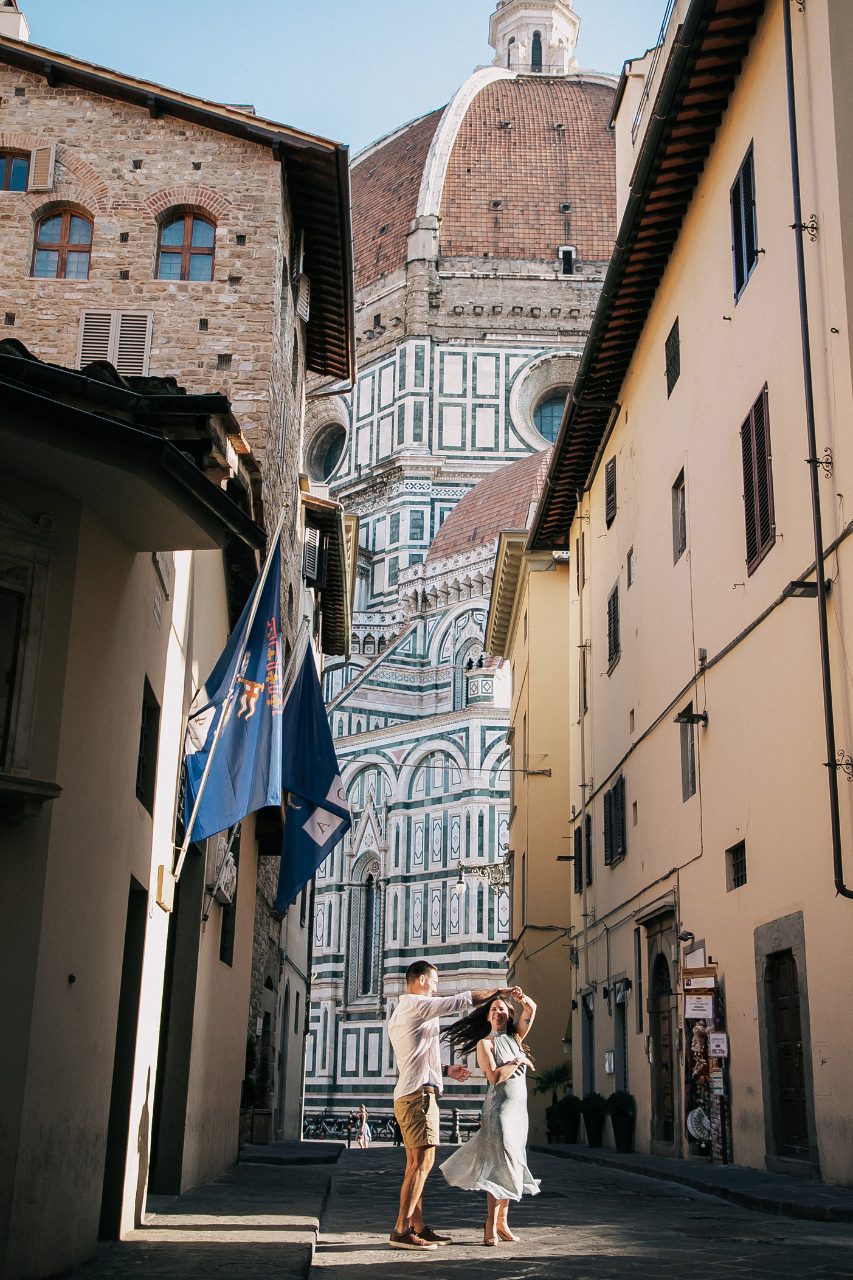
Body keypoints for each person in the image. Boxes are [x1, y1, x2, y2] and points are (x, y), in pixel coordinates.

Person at [387, 959, 513, 1251]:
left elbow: (414, 1058)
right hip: (419, 1096)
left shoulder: (403, 1011)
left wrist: (445, 1070)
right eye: (434, 980)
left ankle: (417, 1226)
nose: (436, 986)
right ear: (419, 980)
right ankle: (401, 1230)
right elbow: (463, 999)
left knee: (414, 1165)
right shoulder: (417, 1005)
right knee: (423, 1163)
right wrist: (498, 992)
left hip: (412, 1091)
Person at [439, 986, 539, 1245]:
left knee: (513, 1163)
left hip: (519, 1111)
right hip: (499, 1110)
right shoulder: (485, 1044)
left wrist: (522, 998)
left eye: (502, 1009)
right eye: (493, 1009)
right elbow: (494, 1078)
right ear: (487, 1017)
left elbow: (532, 1010)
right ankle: (490, 1224)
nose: (497, 1011)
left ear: (508, 1014)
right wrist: (517, 1062)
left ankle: (503, 1223)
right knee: (499, 1164)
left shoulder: (516, 1038)